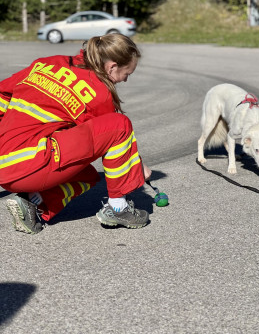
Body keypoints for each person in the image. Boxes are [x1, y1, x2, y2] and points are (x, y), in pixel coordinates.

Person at [0, 33, 152, 234]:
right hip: (28, 165)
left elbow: (3, 93)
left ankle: (30, 203)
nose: (125, 80)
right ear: (112, 67)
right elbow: (113, 135)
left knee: (87, 176)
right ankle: (118, 208)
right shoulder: (99, 94)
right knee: (120, 124)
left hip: (7, 164)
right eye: (127, 74)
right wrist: (139, 167)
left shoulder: (48, 63)